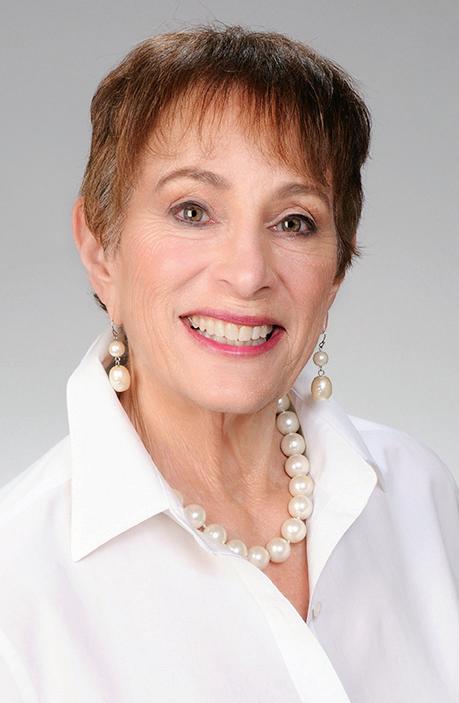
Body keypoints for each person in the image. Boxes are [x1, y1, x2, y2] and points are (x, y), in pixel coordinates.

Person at [0, 23, 457, 703]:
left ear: (335, 271)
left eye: (294, 221)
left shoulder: (421, 496)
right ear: (100, 249)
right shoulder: (15, 584)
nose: (247, 274)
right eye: (192, 210)